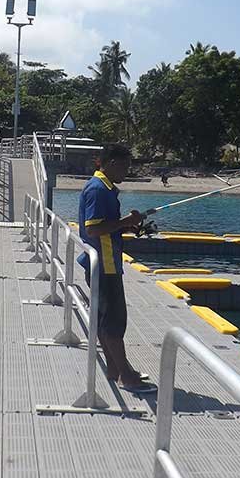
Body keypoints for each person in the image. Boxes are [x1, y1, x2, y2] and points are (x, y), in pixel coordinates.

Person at [77, 144, 156, 393]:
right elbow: (92, 229)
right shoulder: (99, 189)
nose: (126, 171)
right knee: (114, 322)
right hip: (105, 264)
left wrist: (125, 227)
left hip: (106, 261)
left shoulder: (105, 188)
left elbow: (103, 225)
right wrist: (126, 221)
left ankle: (116, 369)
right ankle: (126, 376)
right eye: (124, 166)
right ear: (109, 163)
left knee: (105, 319)